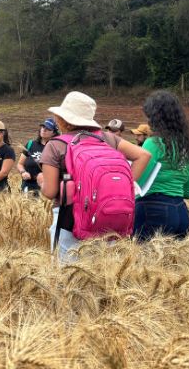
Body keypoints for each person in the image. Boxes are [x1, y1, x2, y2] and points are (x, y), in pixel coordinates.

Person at [36, 92, 151, 259]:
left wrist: (41, 180)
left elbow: (50, 192)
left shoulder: (55, 145)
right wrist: (123, 187)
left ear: (63, 119)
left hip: (69, 220)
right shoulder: (109, 138)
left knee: (68, 277)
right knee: (103, 274)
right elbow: (144, 155)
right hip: (107, 216)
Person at [133, 91, 189, 241]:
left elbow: (137, 182)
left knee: (144, 262)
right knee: (173, 263)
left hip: (152, 210)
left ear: (155, 118)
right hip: (181, 212)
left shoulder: (153, 143)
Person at [17, 118, 57, 196]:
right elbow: (20, 164)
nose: (44, 130)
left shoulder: (55, 148)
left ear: (53, 133)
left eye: (48, 129)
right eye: (43, 127)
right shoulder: (30, 144)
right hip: (28, 186)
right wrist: (23, 172)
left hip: (46, 188)